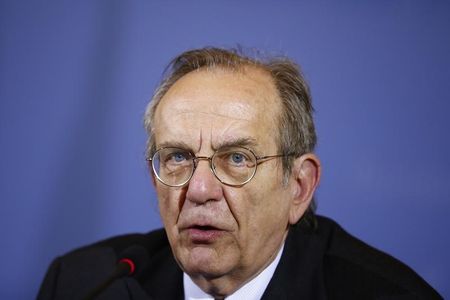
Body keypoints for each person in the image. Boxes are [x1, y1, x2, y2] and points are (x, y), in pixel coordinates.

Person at [38, 47, 442, 300]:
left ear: (299, 187)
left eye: (236, 159)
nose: (198, 190)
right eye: (177, 157)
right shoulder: (84, 284)